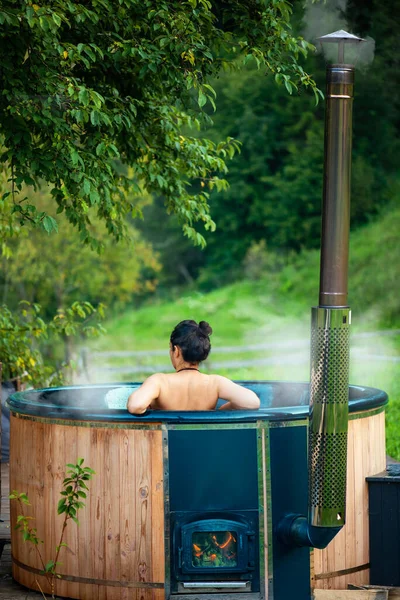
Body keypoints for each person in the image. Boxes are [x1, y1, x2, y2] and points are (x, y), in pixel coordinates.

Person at [127, 320, 260, 415]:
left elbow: (136, 405)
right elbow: (252, 402)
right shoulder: (214, 383)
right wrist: (217, 413)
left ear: (176, 351)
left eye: (170, 348)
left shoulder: (160, 382)